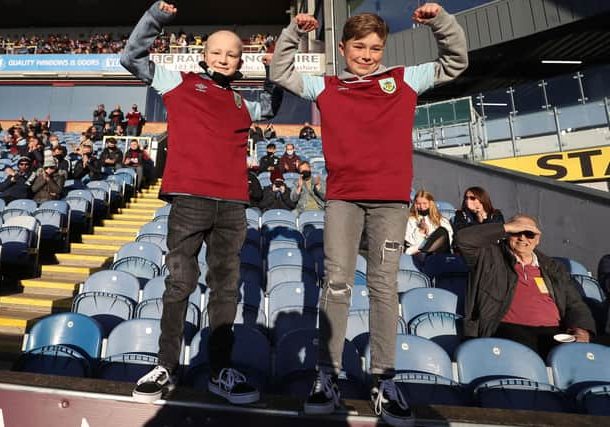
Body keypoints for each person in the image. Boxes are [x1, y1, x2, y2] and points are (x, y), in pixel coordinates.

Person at [270, 3, 467, 425]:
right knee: (337, 284)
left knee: (382, 285)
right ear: (342, 49)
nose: (367, 54)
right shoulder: (325, 88)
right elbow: (279, 72)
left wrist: (440, 23)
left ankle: (384, 378)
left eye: (375, 47)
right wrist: (294, 31)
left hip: (391, 201)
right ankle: (328, 375)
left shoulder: (403, 79)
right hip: (343, 199)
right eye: (359, 46)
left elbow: (455, 63)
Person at [121, 0, 282, 405]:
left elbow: (271, 104)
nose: (224, 59)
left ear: (240, 61)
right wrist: (157, 18)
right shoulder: (179, 82)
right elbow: (131, 57)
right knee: (180, 284)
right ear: (203, 56)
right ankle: (165, 367)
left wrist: (274, 68)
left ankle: (220, 371)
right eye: (216, 52)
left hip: (231, 205)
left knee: (226, 290)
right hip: (190, 200)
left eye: (232, 54)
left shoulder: (244, 102)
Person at [455, 215, 596, 359]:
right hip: (506, 329)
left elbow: (575, 304)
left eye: (529, 234)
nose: (522, 238)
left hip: (553, 333)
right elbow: (463, 240)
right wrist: (507, 227)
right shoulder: (489, 257)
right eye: (517, 232)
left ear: (537, 239)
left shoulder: (553, 267)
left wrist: (581, 330)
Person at [404, 190, 453, 255]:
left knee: (442, 231)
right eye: (418, 204)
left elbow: (448, 240)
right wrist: (421, 231)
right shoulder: (410, 220)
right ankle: (425, 254)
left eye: (424, 203)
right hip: (417, 253)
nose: (421, 207)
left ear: (430, 203)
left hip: (438, 253)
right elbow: (411, 242)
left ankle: (425, 254)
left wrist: (428, 231)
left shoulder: (442, 220)